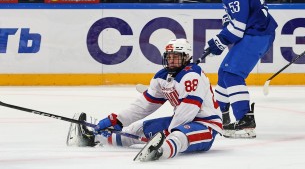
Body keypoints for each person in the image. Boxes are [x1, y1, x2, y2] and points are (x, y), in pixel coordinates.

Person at [67, 38, 223, 162]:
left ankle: (160, 151)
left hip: (206, 125)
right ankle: (94, 137)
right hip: (180, 122)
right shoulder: (162, 77)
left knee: (178, 136)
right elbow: (144, 106)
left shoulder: (192, 75)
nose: (171, 61)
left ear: (186, 57)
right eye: (169, 57)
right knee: (137, 129)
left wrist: (169, 132)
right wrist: (118, 119)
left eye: (176, 57)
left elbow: (188, 110)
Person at [204, 0, 278, 138]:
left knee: (232, 73)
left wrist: (219, 41)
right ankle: (220, 117)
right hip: (258, 33)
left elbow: (238, 27)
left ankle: (245, 121)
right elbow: (233, 19)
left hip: (256, 34)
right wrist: (222, 37)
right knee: (224, 72)